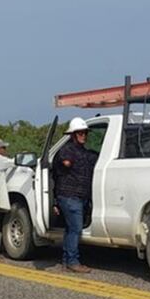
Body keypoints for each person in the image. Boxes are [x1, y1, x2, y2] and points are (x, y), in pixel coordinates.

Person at [53, 117, 99, 272]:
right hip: (69, 196)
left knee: (70, 228)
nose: (83, 135)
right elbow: (65, 162)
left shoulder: (85, 153)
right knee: (75, 229)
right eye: (80, 133)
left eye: (85, 133)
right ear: (73, 134)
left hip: (79, 197)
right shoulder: (67, 150)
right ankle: (73, 262)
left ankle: (67, 260)